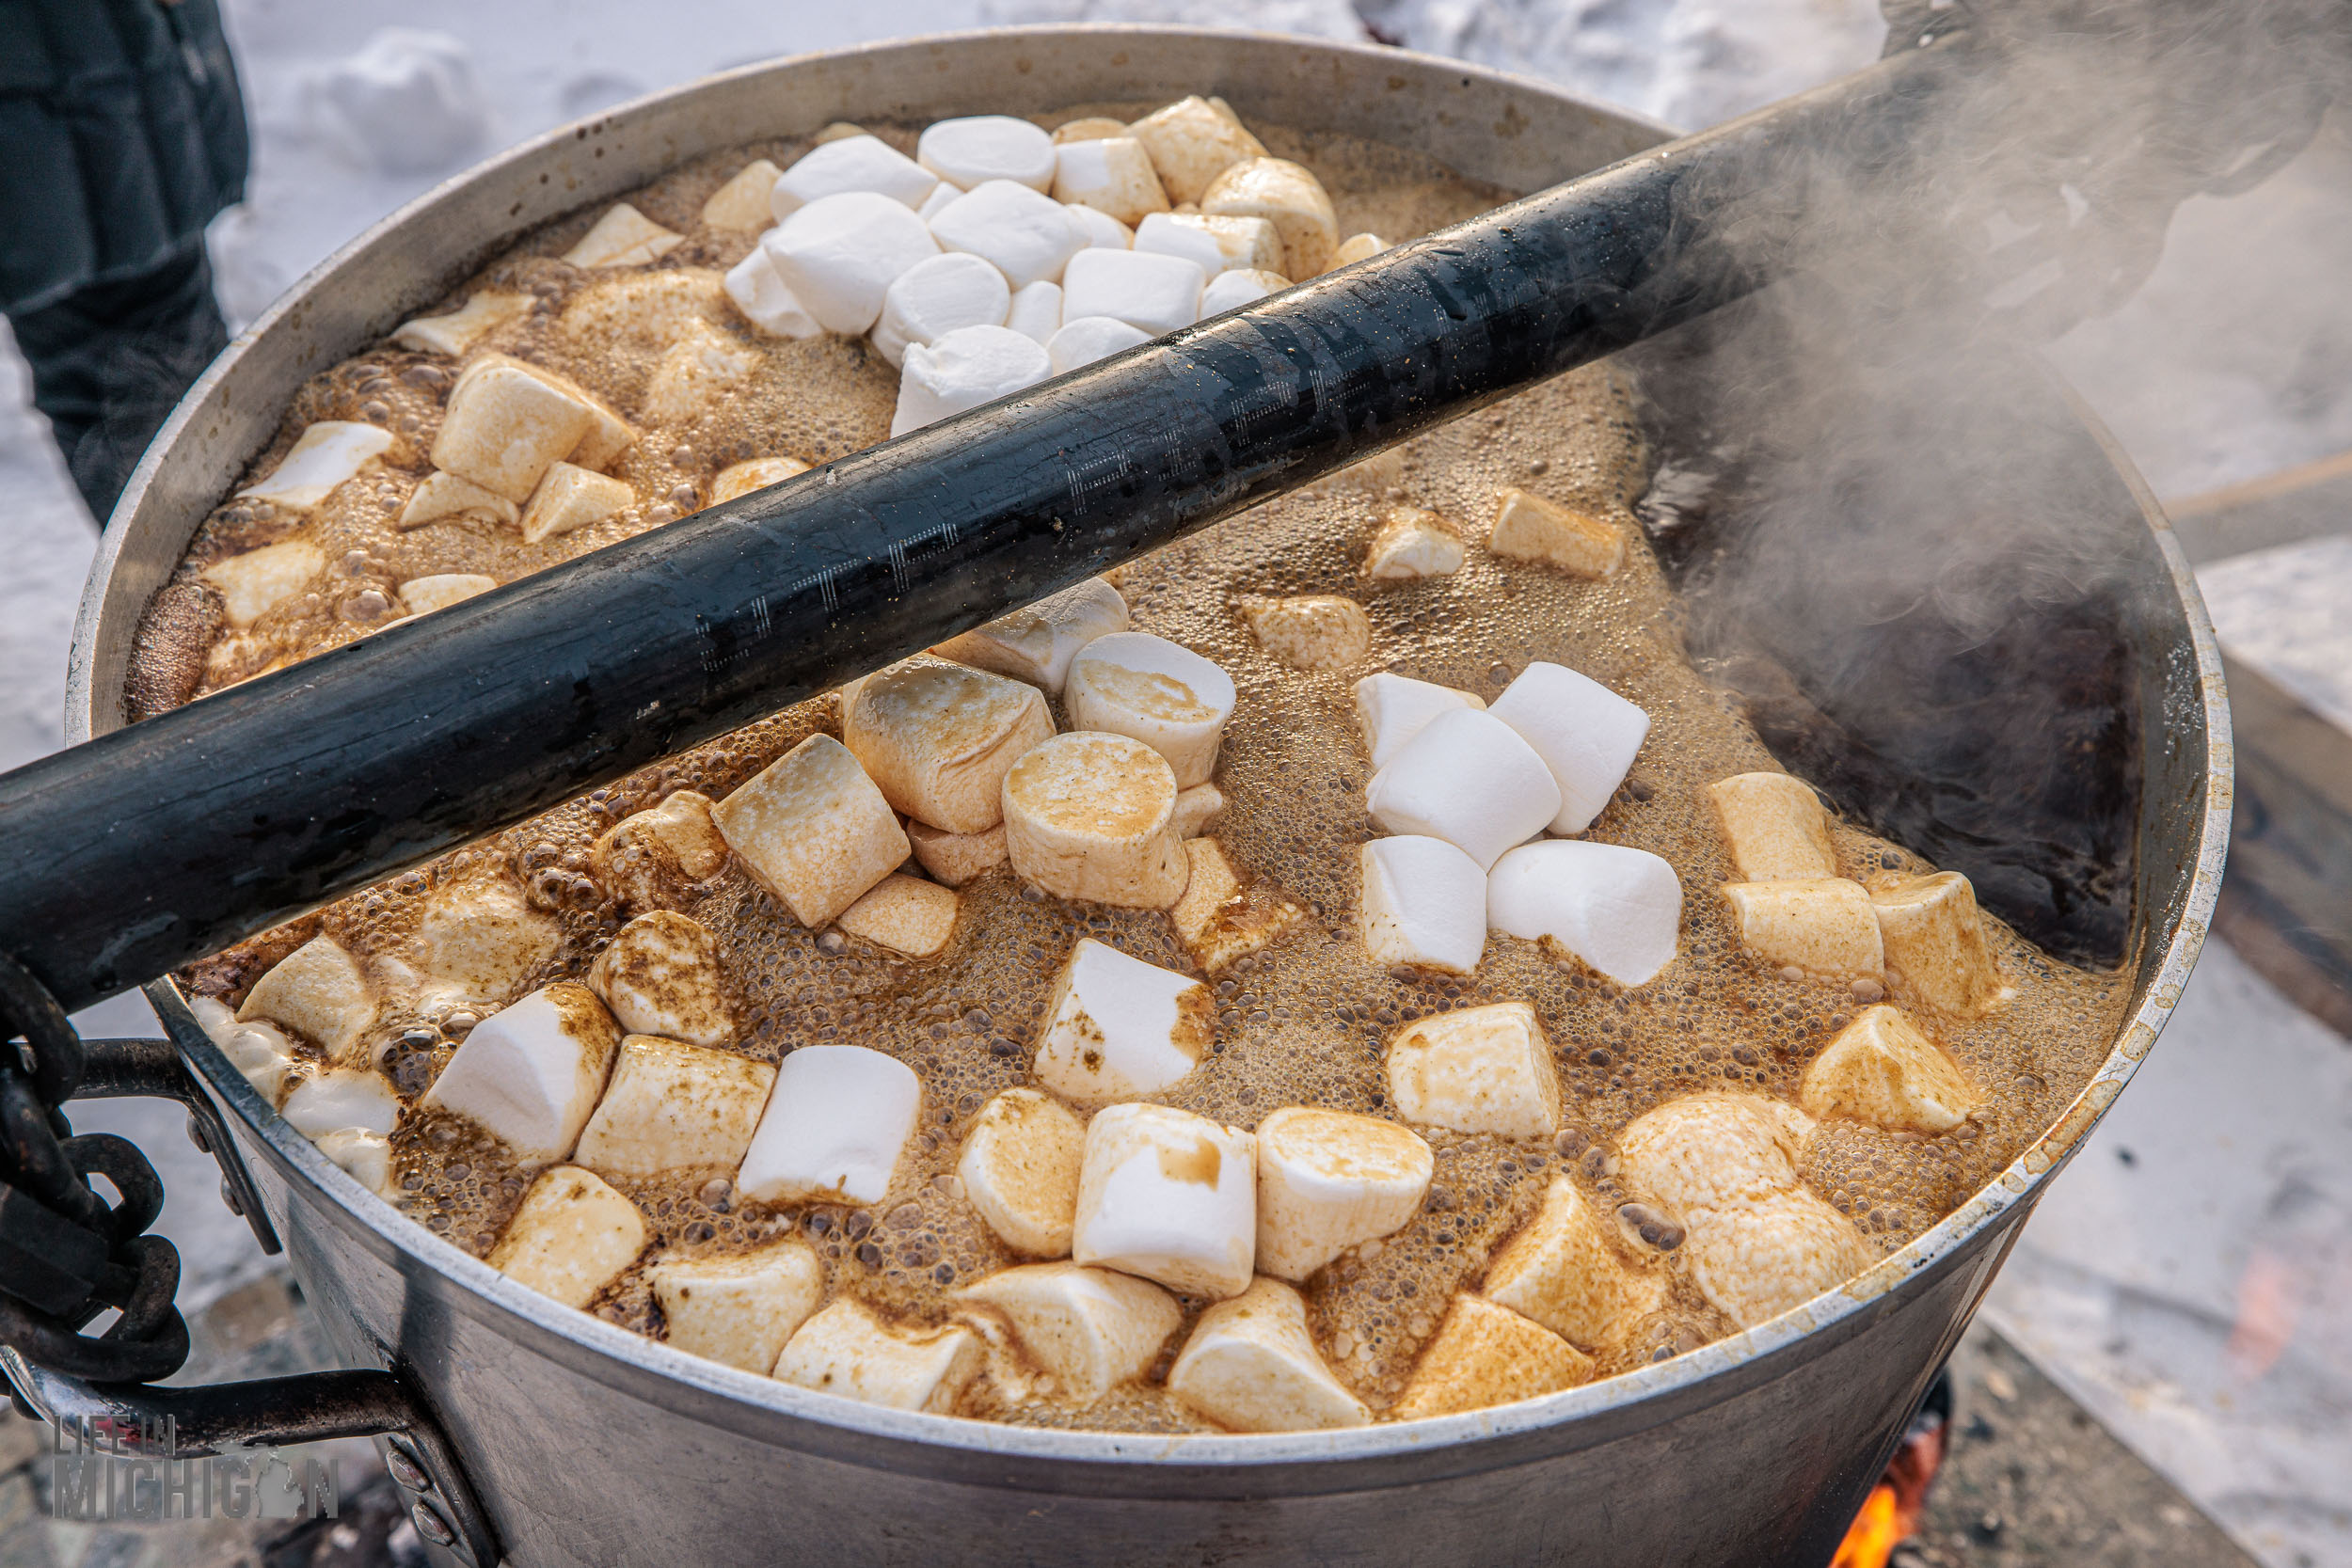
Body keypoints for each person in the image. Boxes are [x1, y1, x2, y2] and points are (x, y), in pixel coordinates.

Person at [0, 0, 249, 526]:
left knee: (182, 368)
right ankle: (217, 583)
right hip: (51, 106)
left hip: (122, 62)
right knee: (132, 383)